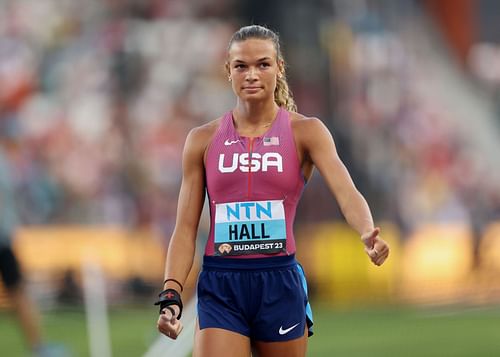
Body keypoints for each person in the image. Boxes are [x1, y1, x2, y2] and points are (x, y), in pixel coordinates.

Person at [155, 24, 390, 357]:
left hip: (279, 285)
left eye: (263, 64)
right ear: (228, 71)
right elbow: (185, 228)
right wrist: (171, 293)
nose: (252, 74)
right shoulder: (202, 140)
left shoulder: (306, 132)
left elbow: (346, 191)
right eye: (241, 66)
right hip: (222, 285)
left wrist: (368, 232)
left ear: (279, 68)